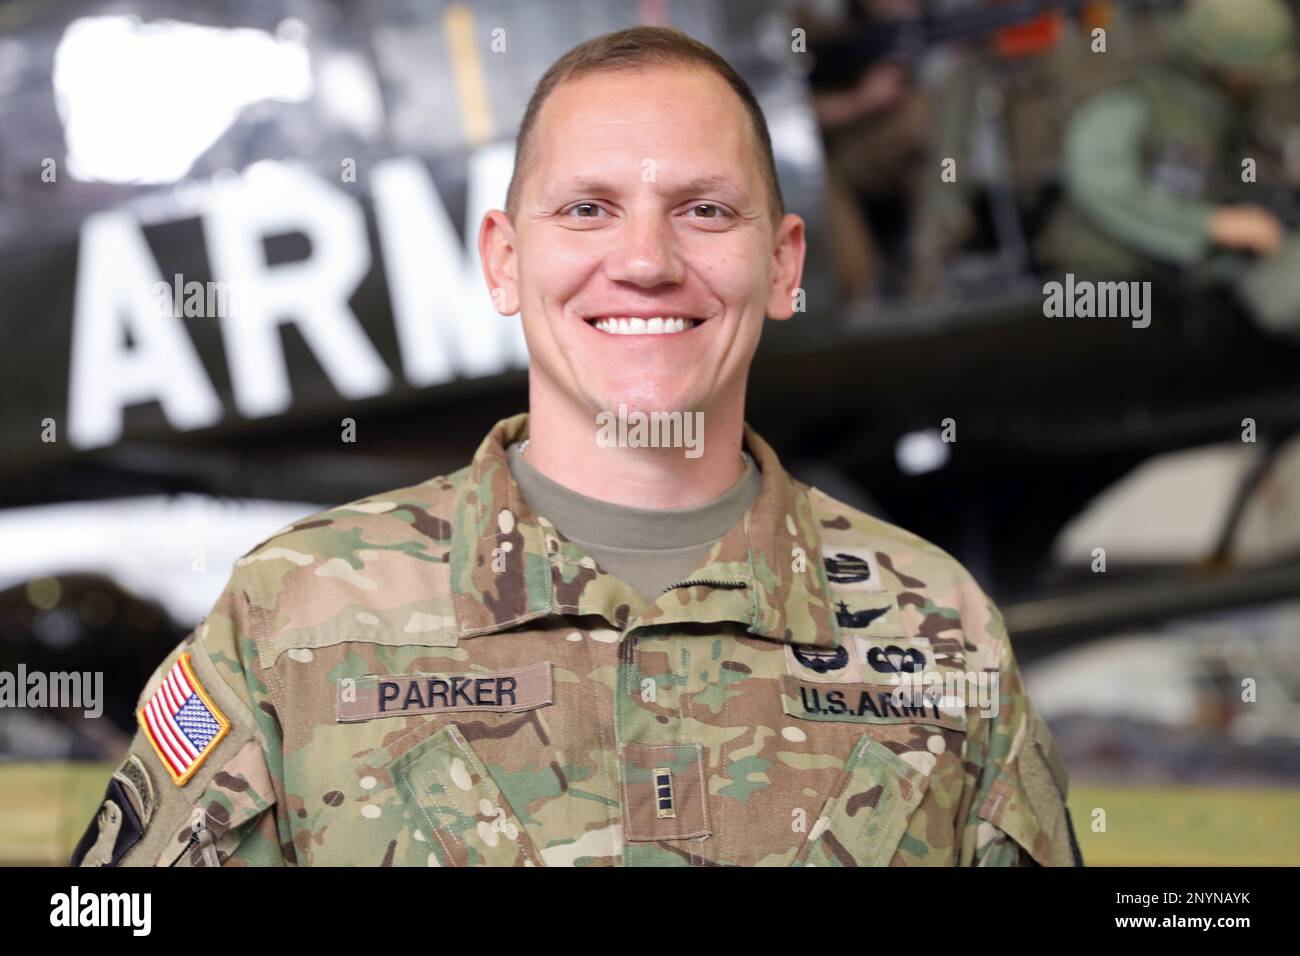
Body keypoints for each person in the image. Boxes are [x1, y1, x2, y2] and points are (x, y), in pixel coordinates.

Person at [72, 25, 1081, 867]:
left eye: (705, 209)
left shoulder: (941, 629)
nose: (644, 261)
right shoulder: (293, 613)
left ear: (782, 265)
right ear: (505, 261)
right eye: (587, 208)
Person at [1040, 0, 1300, 336]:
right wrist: (1212, 225)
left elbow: (1236, 164)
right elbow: (1101, 187)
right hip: (1114, 277)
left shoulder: (1221, 101)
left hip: (1205, 259)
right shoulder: (1134, 98)